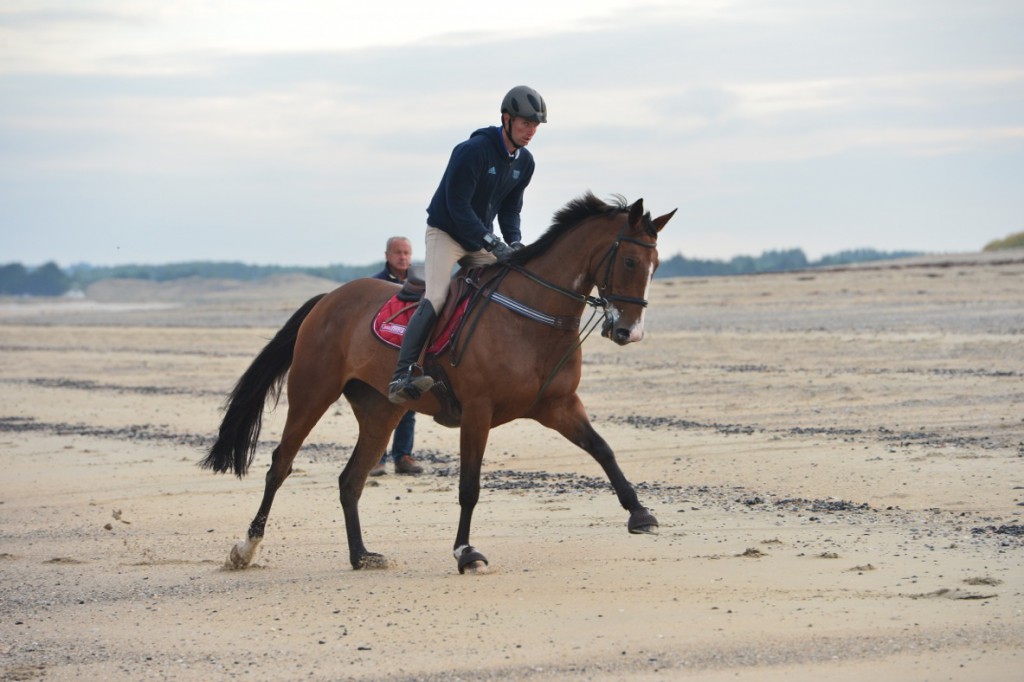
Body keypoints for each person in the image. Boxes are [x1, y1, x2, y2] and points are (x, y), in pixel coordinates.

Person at [387, 85, 547, 404]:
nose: (531, 131)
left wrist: (513, 241)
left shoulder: (525, 163)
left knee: (507, 289)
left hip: (478, 238)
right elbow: (457, 206)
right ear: (506, 119)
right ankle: (401, 374)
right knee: (437, 295)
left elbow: (511, 208)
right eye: (525, 124)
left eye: (535, 126)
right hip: (446, 232)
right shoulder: (473, 150)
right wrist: (491, 242)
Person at [371, 236, 424, 475]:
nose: (403, 257)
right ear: (387, 256)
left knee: (407, 406)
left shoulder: (421, 282)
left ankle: (403, 456)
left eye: (406, 253)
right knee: (378, 406)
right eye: (398, 253)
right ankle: (376, 459)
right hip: (382, 352)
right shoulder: (376, 284)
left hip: (409, 353)